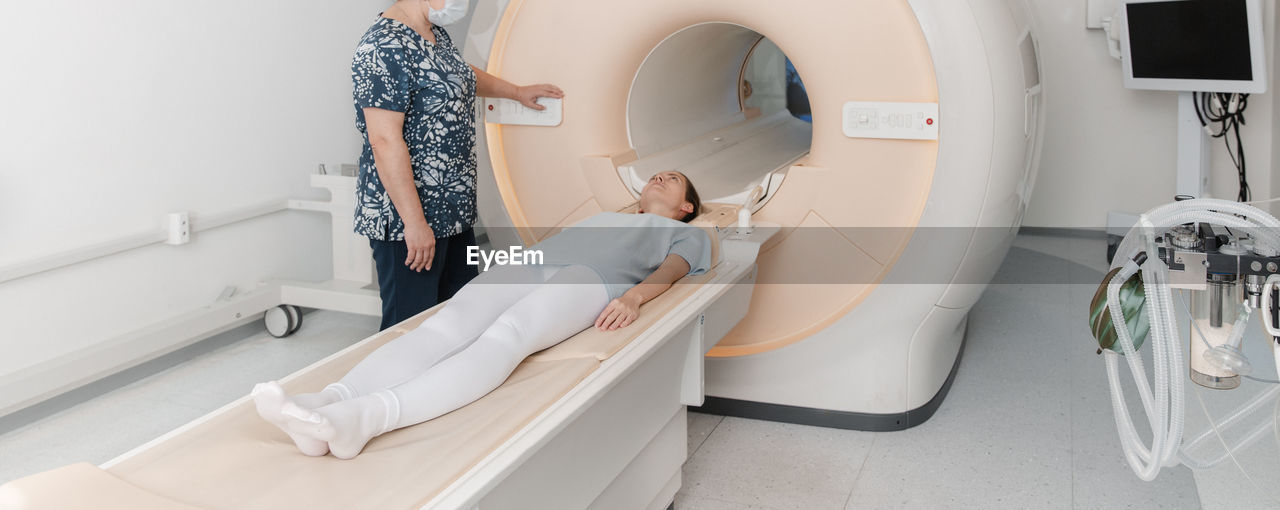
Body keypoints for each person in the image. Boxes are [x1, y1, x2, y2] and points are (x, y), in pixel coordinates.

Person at [252, 172, 708, 459]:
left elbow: (673, 270)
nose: (659, 177)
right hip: (531, 263)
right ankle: (328, 401)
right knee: (445, 325)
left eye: (673, 180)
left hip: (593, 278)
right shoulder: (604, 217)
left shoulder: (686, 233)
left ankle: (366, 418)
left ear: (686, 207)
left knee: (507, 336)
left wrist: (634, 299)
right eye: (656, 175)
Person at [354, 0, 565, 330]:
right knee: (410, 326)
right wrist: (414, 223)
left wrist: (516, 92)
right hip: (408, 221)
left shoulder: (433, 33)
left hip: (452, 212)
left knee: (461, 315)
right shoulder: (382, 46)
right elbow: (384, 143)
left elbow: (460, 74)